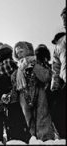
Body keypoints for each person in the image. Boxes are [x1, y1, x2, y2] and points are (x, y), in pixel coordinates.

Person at [11, 41, 55, 141]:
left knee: (43, 120)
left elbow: (46, 77)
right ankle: (35, 141)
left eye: (21, 50)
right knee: (29, 123)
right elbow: (15, 89)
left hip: (39, 93)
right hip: (24, 97)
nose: (19, 53)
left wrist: (34, 66)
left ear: (28, 50)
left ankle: (47, 141)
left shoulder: (37, 62)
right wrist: (8, 97)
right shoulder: (16, 72)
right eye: (17, 53)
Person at [50, 7, 66, 139]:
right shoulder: (59, 44)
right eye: (63, 18)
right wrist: (55, 86)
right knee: (58, 111)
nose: (65, 20)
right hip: (65, 82)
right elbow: (56, 68)